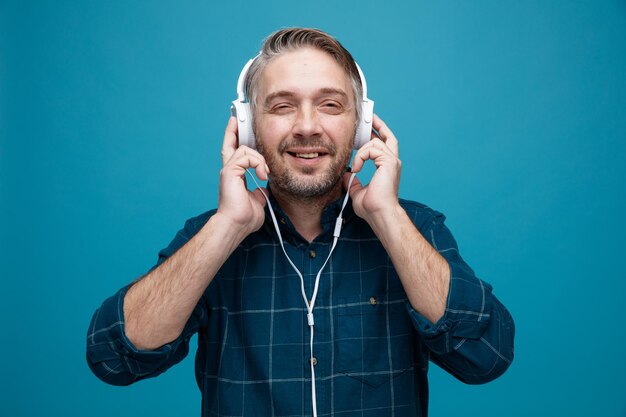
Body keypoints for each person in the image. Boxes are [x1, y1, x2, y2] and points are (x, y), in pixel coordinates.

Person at [86, 27, 515, 417]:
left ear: (362, 126)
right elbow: (114, 358)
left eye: (330, 105)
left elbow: (485, 357)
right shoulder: (212, 235)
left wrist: (387, 217)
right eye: (282, 106)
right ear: (250, 127)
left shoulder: (414, 227)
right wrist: (228, 225)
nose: (307, 127)